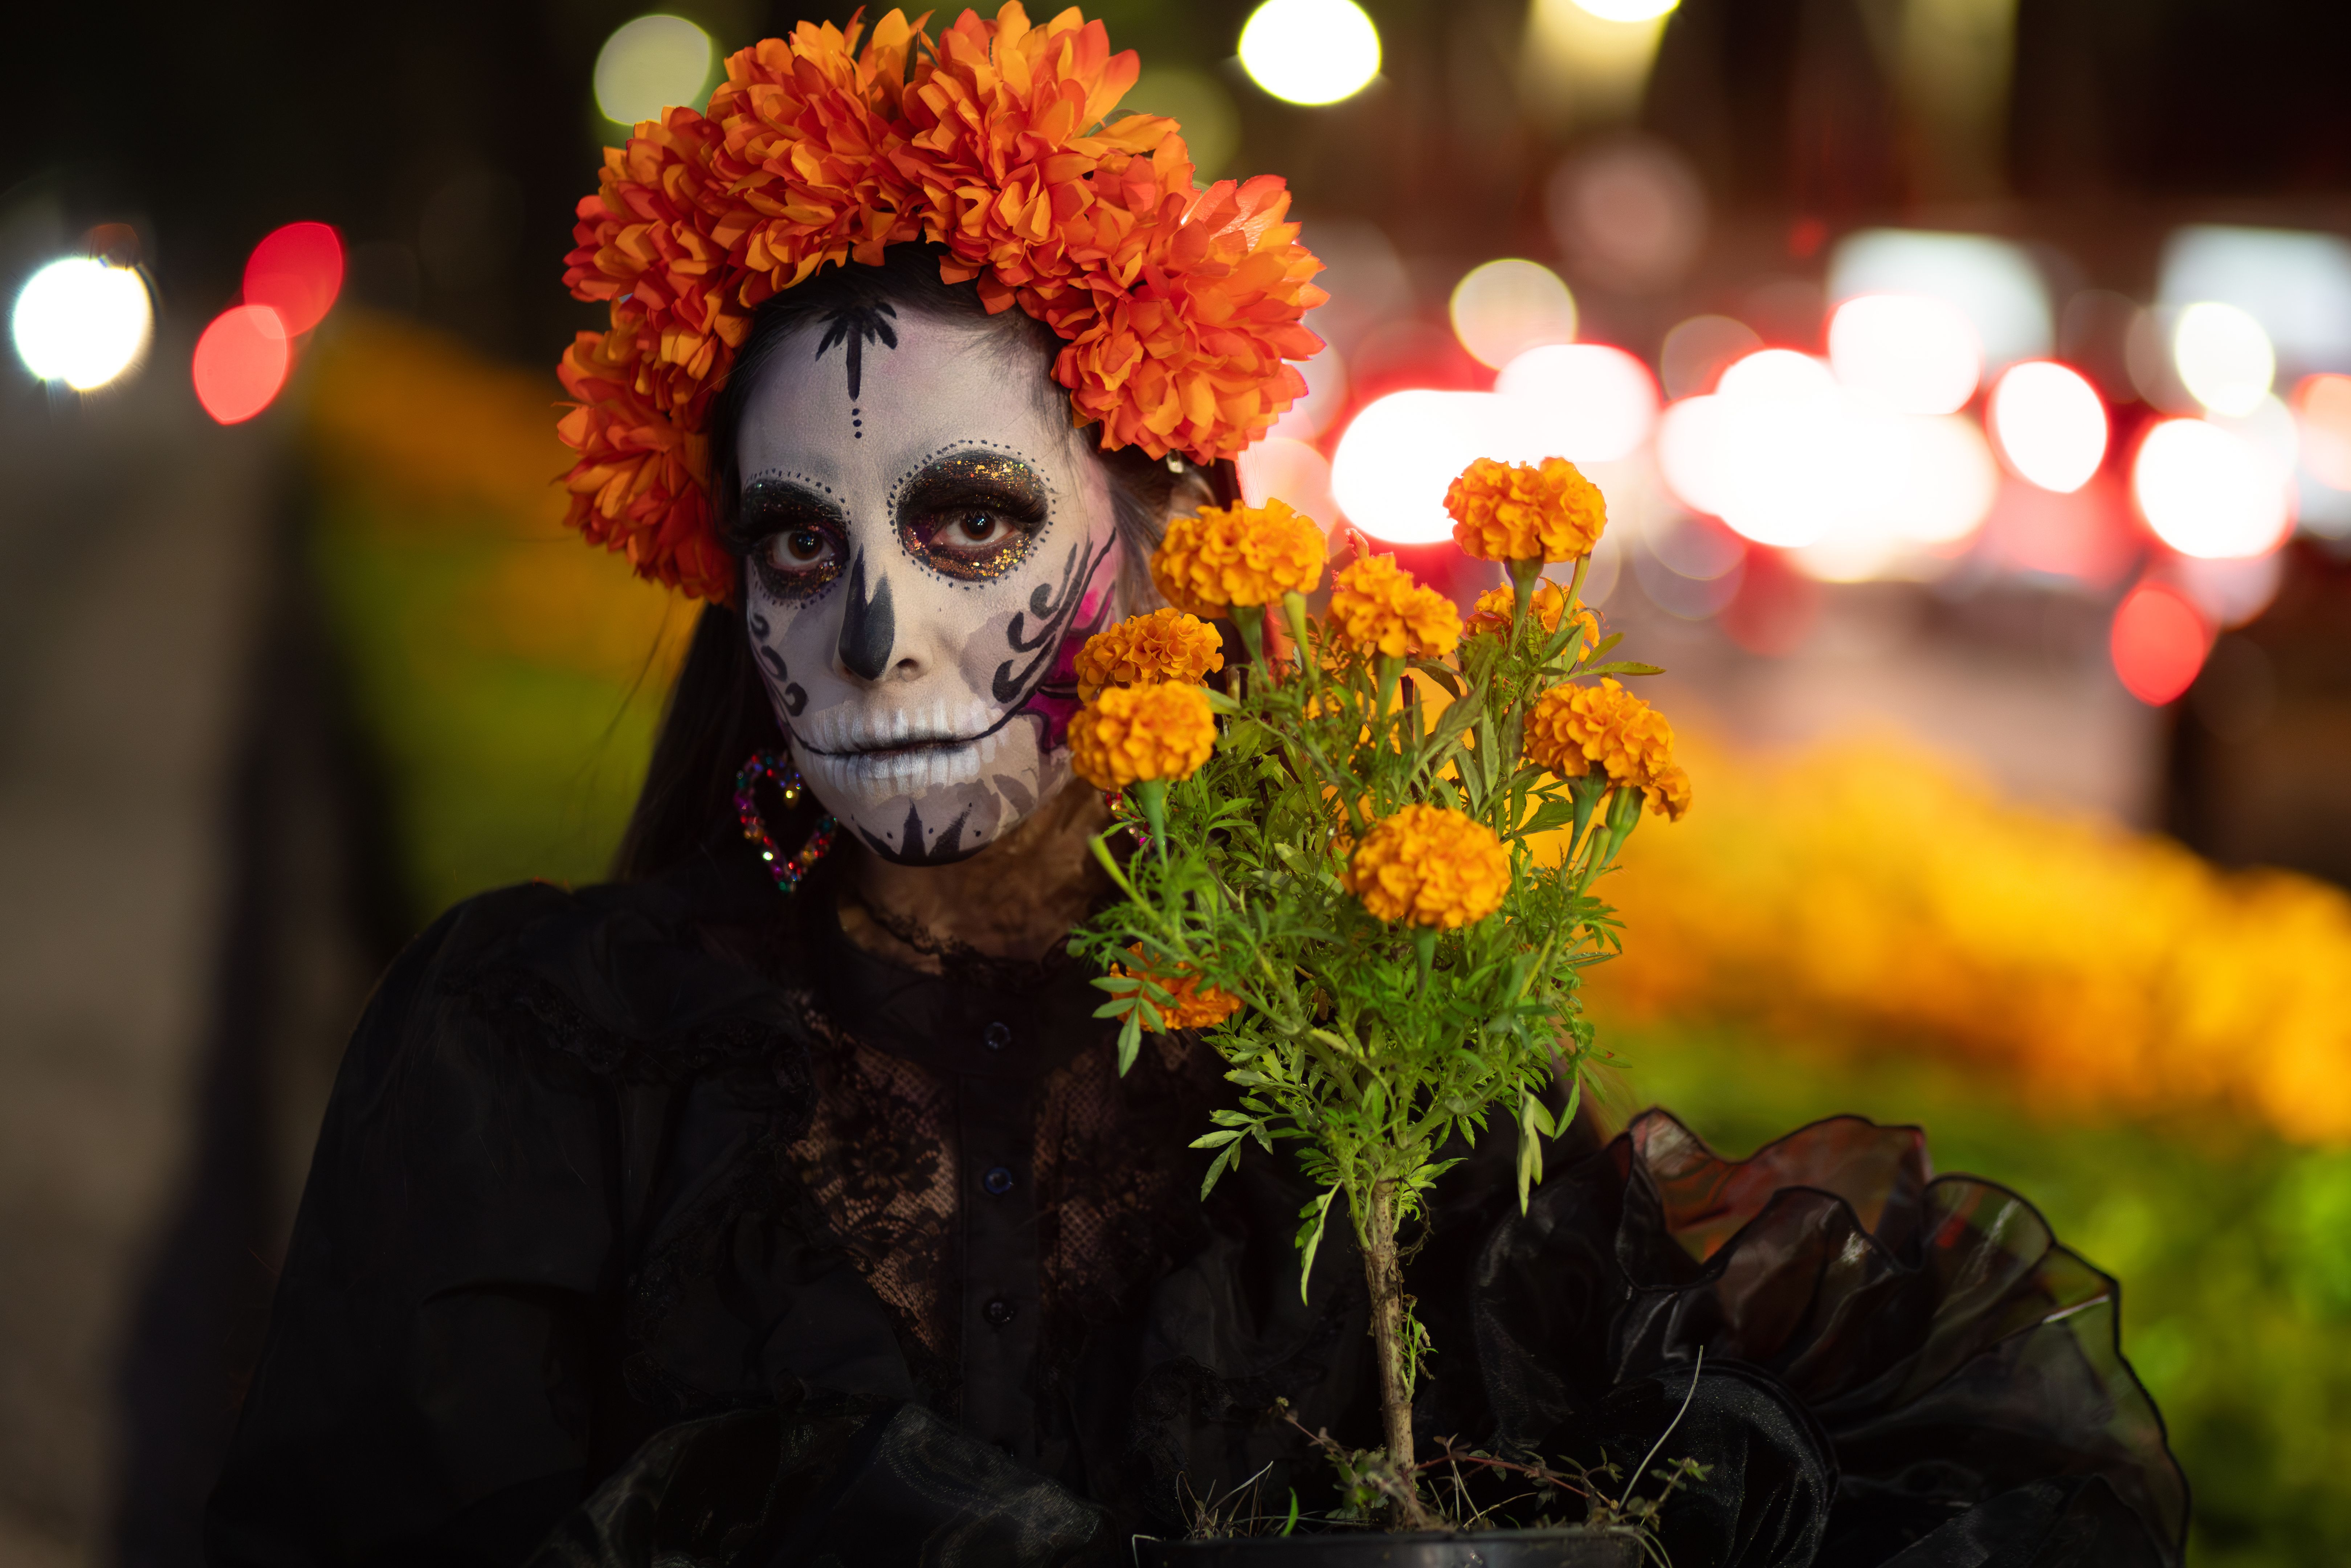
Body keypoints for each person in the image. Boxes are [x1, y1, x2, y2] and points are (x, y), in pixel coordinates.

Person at [204, 9, 2187, 1565]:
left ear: (1165, 541)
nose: (878, 632)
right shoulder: (541, 1054)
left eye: (976, 519)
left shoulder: (1392, 1088)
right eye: (799, 547)